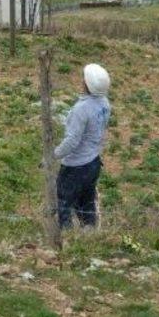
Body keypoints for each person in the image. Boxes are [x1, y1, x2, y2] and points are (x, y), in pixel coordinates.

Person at [54, 63, 111, 229]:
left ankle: (65, 239)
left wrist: (52, 155)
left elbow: (72, 141)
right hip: (93, 162)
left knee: (63, 204)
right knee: (87, 205)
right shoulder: (104, 103)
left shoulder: (81, 109)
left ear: (86, 84)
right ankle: (89, 235)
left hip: (75, 166)